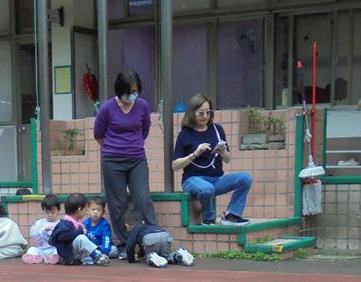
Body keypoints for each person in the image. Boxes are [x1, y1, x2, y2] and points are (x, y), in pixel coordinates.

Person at [93, 69, 158, 258]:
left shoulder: (143, 105)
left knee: (142, 198)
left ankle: (152, 238)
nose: (132, 95)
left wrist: (132, 146)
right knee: (118, 203)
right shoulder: (107, 108)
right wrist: (114, 148)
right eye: (129, 91)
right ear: (120, 89)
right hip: (112, 161)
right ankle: (125, 243)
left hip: (137, 159)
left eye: (136, 91)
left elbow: (145, 130)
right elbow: (98, 134)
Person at [172, 93, 252, 226]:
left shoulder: (217, 130)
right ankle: (208, 217)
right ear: (192, 113)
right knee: (207, 189)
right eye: (201, 113)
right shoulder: (185, 134)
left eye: (208, 112)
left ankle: (232, 215)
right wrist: (195, 154)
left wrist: (222, 151)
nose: (205, 116)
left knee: (245, 178)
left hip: (216, 179)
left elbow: (227, 159)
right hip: (192, 180)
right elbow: (175, 165)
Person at [48, 193, 111, 266]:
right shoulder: (66, 223)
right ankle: (97, 256)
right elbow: (62, 236)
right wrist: (80, 232)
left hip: (75, 252)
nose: (86, 212)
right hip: (68, 251)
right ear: (79, 210)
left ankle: (92, 257)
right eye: (85, 209)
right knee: (81, 238)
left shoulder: (76, 222)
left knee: (112, 249)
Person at [125, 220, 194, 267]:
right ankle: (177, 255)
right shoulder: (149, 226)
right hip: (164, 235)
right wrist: (140, 255)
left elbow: (129, 246)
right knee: (167, 256)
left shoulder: (134, 228)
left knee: (149, 254)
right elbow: (142, 248)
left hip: (150, 237)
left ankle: (152, 256)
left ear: (128, 226)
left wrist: (131, 259)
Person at [22, 193, 62, 264]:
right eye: (47, 212)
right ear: (43, 210)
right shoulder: (39, 223)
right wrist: (43, 230)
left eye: (53, 212)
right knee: (32, 249)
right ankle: (35, 258)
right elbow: (34, 235)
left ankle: (53, 258)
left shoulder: (61, 223)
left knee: (59, 251)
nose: (50, 215)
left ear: (58, 210)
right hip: (42, 249)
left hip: (54, 249)